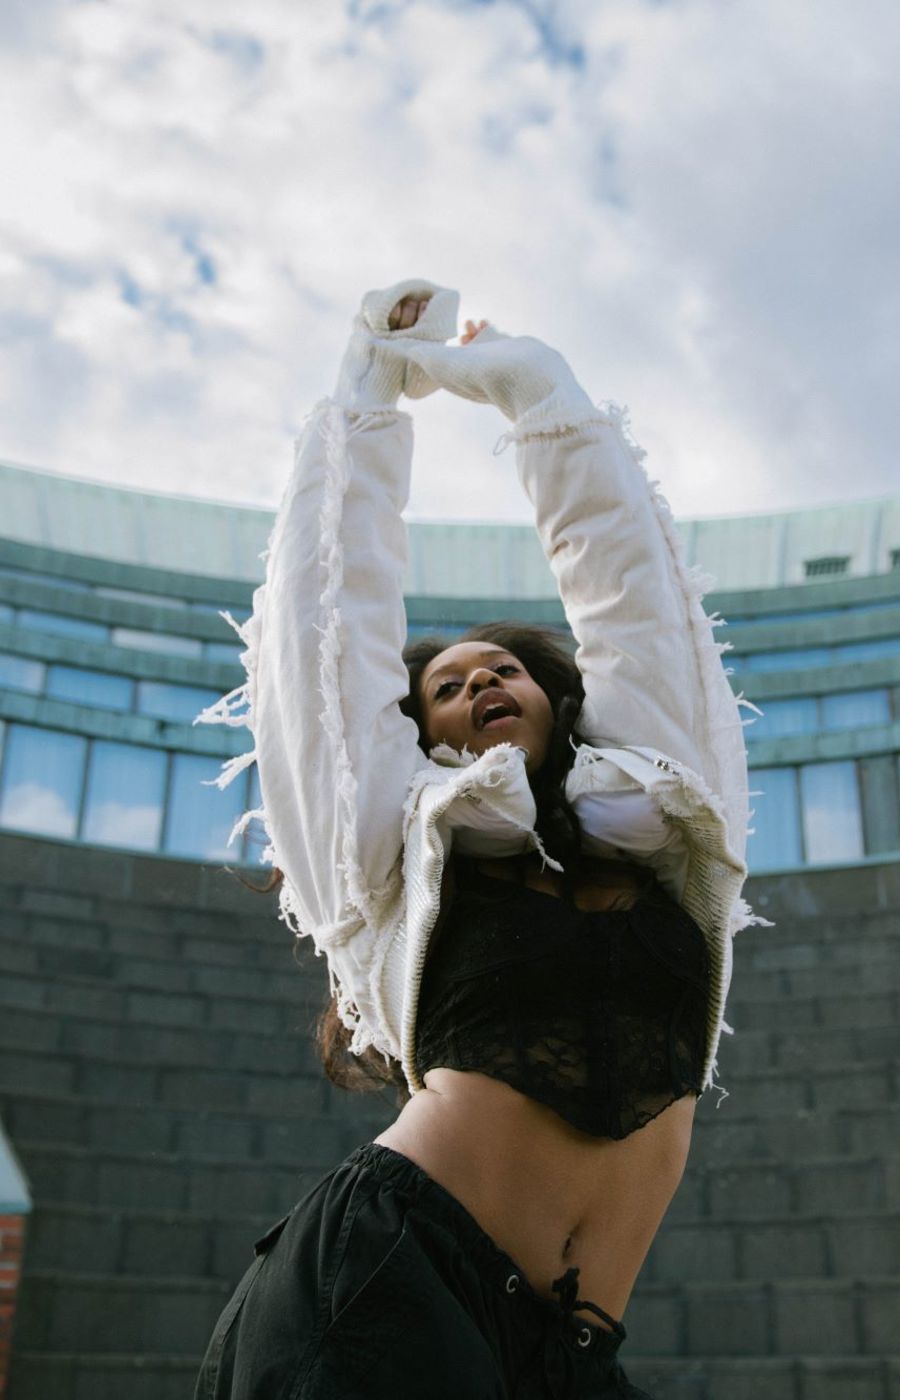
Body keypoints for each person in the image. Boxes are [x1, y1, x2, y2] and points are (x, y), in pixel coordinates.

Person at [192, 278, 759, 1398]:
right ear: (424, 736)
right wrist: (368, 396)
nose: (481, 678)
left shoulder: (665, 824)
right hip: (390, 1279)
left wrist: (541, 399)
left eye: (502, 666)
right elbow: (327, 632)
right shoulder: (400, 853)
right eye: (446, 687)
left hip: (568, 1350)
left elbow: (637, 601)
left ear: (557, 698)